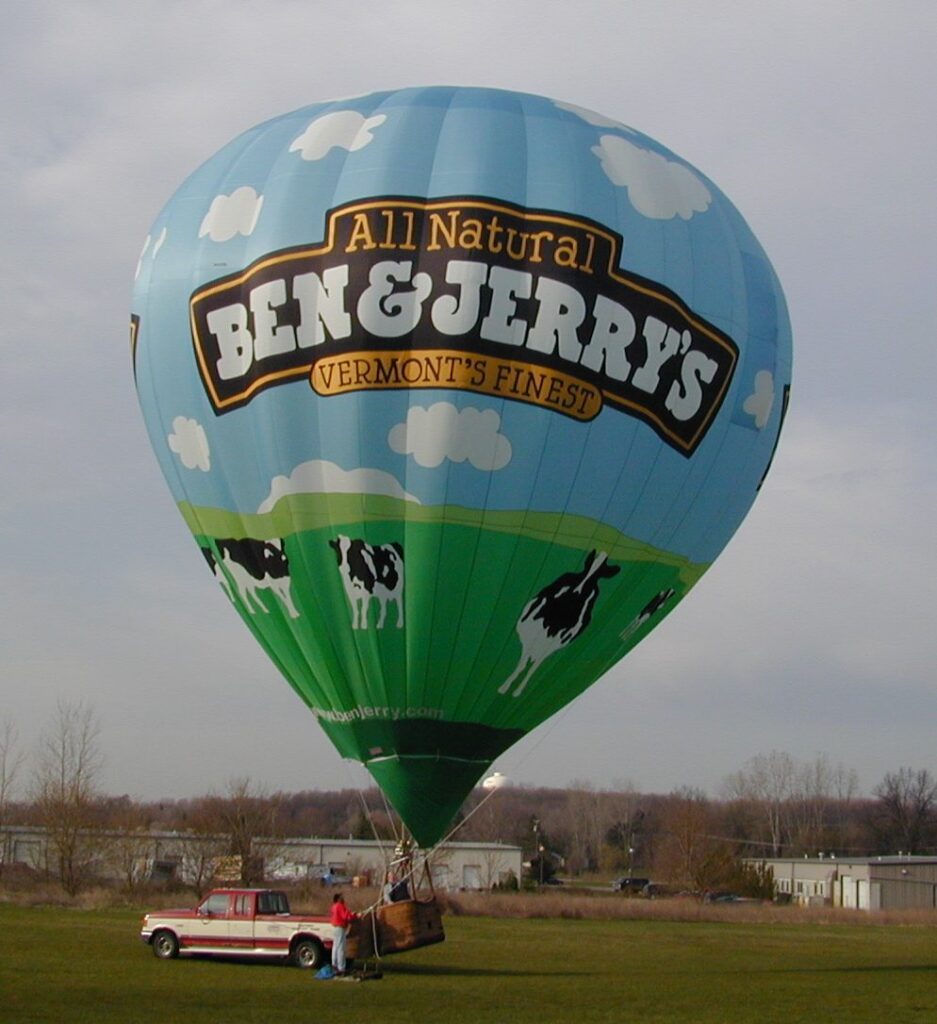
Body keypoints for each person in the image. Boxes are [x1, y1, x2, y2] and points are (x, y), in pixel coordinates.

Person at [329, 893, 358, 975]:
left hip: (335, 927)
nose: (343, 899)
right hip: (340, 927)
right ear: (338, 898)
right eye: (342, 897)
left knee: (335, 946)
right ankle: (341, 968)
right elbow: (345, 916)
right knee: (341, 948)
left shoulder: (333, 906)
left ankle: (334, 964)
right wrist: (352, 914)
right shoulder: (340, 906)